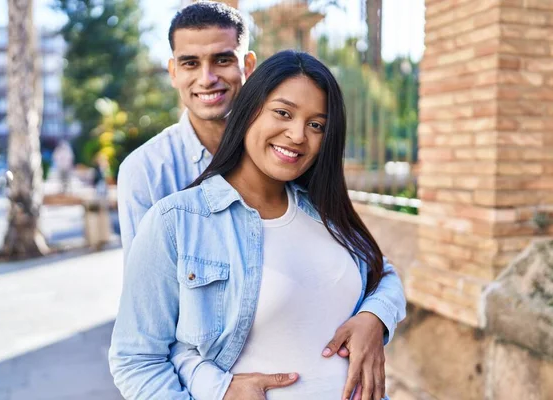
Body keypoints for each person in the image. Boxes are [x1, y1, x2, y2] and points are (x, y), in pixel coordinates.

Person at [110, 50, 406, 400]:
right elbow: (137, 359)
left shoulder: (323, 211)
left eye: (316, 125)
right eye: (283, 113)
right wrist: (218, 392)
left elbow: (381, 272)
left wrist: (374, 318)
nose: (298, 134)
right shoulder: (176, 222)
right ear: (250, 111)